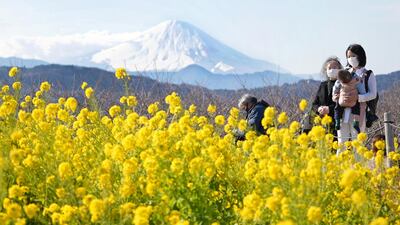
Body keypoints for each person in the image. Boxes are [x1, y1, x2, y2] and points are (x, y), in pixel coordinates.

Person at [346, 44, 378, 132]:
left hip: (360, 110)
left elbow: (373, 94)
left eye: (353, 56)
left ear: (360, 56)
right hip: (344, 110)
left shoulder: (368, 74)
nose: (350, 58)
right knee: (343, 142)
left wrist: (358, 97)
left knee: (357, 138)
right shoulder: (345, 73)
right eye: (348, 56)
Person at [311, 56, 343, 134]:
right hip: (322, 124)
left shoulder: (343, 84)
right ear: (326, 70)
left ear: (340, 69)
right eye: (329, 68)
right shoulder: (323, 85)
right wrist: (319, 109)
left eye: (335, 67)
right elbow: (315, 103)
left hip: (337, 123)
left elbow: (344, 104)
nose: (332, 70)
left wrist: (329, 109)